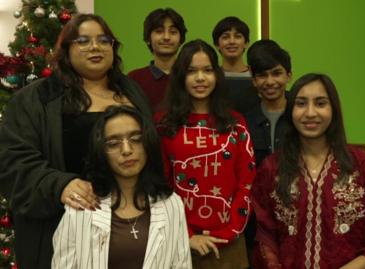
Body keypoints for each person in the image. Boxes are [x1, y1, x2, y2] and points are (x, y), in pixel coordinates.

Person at [0, 14, 151, 269]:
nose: (95, 47)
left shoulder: (132, 92)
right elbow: (11, 160)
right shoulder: (36, 99)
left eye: (104, 40)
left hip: (129, 230)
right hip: (60, 233)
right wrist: (59, 185)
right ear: (66, 49)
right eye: (83, 41)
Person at [251, 73, 365, 269]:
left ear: (334, 110)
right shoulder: (272, 168)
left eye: (320, 103)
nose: (310, 113)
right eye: (301, 103)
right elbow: (264, 236)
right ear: (291, 110)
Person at [156, 39, 256, 269]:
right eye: (192, 71)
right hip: (179, 241)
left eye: (208, 70)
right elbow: (160, 184)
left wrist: (230, 231)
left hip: (230, 243)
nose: (200, 78)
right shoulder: (163, 124)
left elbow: (247, 182)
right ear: (181, 76)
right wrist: (187, 235)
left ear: (217, 75)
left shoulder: (236, 123)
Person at [52, 105, 191, 268]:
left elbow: (181, 265)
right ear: (101, 151)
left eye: (136, 139)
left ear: (148, 144)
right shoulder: (81, 206)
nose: (126, 150)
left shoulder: (171, 204)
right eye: (113, 143)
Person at [243, 39, 292, 266]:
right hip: (257, 223)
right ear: (253, 80)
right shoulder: (244, 121)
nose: (270, 81)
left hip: (298, 217)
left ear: (288, 75)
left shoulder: (303, 114)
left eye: (277, 73)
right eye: (262, 75)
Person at [129, 8, 187, 111]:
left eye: (173, 32)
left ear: (181, 39)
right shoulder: (134, 79)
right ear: (148, 38)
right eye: (159, 31)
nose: (166, 37)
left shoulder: (190, 76)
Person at [212, 16, 259, 115]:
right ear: (217, 44)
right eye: (225, 37)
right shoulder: (212, 77)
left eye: (237, 36)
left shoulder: (257, 77)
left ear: (246, 43)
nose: (232, 41)